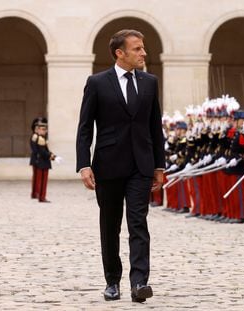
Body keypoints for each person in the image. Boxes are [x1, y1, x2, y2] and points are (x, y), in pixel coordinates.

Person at [76, 29, 165, 303]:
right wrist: (84, 164)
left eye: (143, 48)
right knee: (110, 224)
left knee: (138, 222)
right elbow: (84, 128)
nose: (143, 53)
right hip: (108, 165)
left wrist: (159, 166)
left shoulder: (150, 82)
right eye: (137, 49)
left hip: (141, 165)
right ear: (120, 53)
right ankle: (112, 281)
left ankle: (139, 282)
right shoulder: (97, 82)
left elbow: (154, 127)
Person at [30, 117, 56, 203]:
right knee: (40, 180)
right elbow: (41, 151)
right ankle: (40, 196)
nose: (45, 131)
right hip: (41, 161)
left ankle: (38, 194)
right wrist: (53, 157)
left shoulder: (41, 138)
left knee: (40, 180)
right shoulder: (38, 138)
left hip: (41, 161)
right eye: (43, 129)